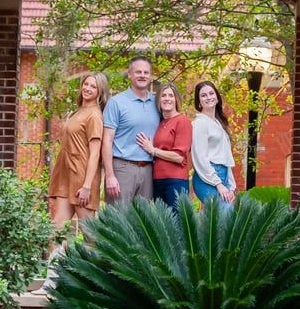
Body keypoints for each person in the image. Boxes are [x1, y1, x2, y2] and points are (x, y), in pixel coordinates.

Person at [34, 72, 109, 294]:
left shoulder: (95, 115)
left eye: (93, 87)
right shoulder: (79, 111)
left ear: (100, 92)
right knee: (58, 230)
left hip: (82, 179)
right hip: (66, 177)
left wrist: (87, 185)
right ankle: (51, 282)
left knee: (90, 236)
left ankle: (99, 285)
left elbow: (95, 153)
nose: (87, 88)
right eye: (86, 84)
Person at [101, 56, 161, 204]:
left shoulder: (157, 103)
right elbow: (106, 141)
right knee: (119, 221)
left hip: (149, 169)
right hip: (122, 169)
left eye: (146, 72)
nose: (142, 75)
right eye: (138, 72)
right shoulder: (116, 103)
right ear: (129, 74)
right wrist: (109, 175)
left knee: (144, 221)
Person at [136, 82, 192, 213]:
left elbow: (179, 157)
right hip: (157, 180)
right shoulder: (160, 123)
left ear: (176, 99)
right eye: (163, 95)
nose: (167, 99)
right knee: (163, 226)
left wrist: (153, 150)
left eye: (170, 95)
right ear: (159, 100)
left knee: (176, 225)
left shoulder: (182, 121)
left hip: (175, 181)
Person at [190, 81, 236, 208]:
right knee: (225, 213)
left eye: (211, 93)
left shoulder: (218, 123)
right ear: (198, 102)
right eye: (203, 95)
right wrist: (218, 184)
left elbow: (226, 158)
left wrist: (231, 186)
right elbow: (200, 158)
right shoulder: (199, 124)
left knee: (229, 220)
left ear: (217, 97)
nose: (209, 97)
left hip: (223, 175)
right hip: (207, 179)